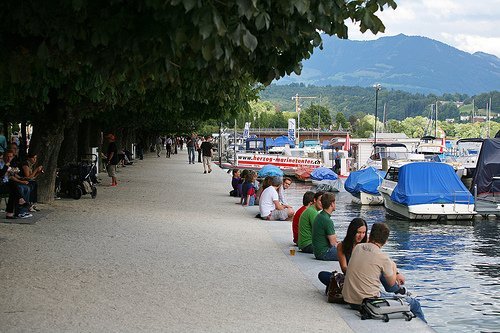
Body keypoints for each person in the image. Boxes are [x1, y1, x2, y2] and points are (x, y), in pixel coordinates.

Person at [342, 223, 426, 322]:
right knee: (414, 303)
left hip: (349, 299)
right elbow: (391, 284)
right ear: (385, 241)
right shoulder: (383, 257)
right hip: (368, 303)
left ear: (370, 235)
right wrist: (394, 267)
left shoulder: (358, 248)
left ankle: (402, 292)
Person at [318, 218, 408, 295]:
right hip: (352, 276)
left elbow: (382, 260)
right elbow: (344, 268)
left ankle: (395, 289)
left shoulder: (368, 243)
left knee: (379, 269)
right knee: (323, 275)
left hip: (370, 273)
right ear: (352, 232)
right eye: (358, 232)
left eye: (364, 233)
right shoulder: (342, 246)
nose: (361, 236)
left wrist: (396, 273)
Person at [311, 192, 338, 260]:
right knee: (351, 253)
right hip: (324, 253)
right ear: (332, 204)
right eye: (335, 202)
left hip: (317, 252)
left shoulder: (319, 216)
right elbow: (333, 244)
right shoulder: (327, 221)